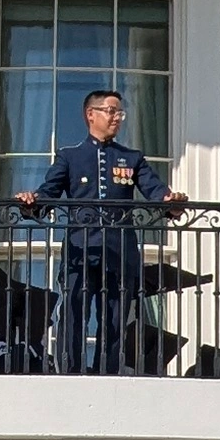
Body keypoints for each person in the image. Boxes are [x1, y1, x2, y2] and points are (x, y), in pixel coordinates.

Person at [16, 82, 178, 375]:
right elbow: (48, 194)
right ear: (91, 114)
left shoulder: (132, 158)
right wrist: (32, 202)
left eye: (120, 113)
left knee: (115, 317)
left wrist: (171, 202)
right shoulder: (70, 157)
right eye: (111, 111)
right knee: (75, 312)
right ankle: (72, 370)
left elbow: (156, 191)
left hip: (119, 251)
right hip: (81, 248)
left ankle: (110, 370)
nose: (117, 118)